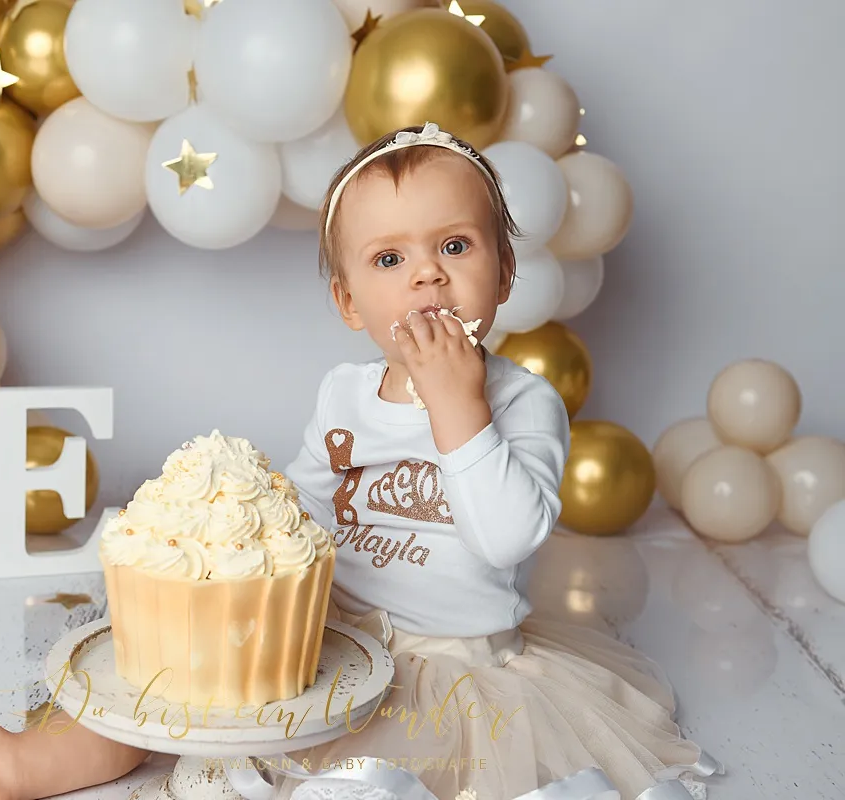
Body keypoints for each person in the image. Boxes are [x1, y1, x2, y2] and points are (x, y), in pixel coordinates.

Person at [274, 123, 722, 799]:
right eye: (389, 259)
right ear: (348, 302)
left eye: (455, 246)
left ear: (505, 273)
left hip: (461, 665)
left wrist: (458, 403)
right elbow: (301, 508)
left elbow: (507, 538)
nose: (427, 273)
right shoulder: (343, 395)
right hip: (343, 649)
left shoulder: (523, 402)